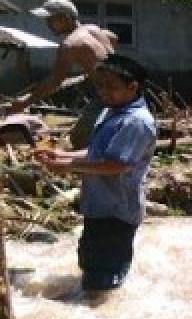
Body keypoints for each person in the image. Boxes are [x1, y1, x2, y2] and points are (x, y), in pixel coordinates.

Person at [34, 53, 156, 293]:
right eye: (100, 85)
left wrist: (68, 166)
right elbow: (97, 152)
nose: (103, 91)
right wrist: (62, 156)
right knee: (93, 268)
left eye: (111, 86)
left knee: (103, 280)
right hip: (101, 206)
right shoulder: (113, 112)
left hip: (116, 211)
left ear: (133, 87)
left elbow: (116, 165)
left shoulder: (136, 122)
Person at [12, 0, 117, 147]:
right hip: (125, 88)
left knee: (80, 141)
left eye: (51, 19)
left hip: (110, 96)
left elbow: (55, 80)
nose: (48, 24)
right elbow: (113, 37)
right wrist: (92, 69)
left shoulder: (69, 44)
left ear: (66, 18)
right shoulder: (94, 29)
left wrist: (25, 102)